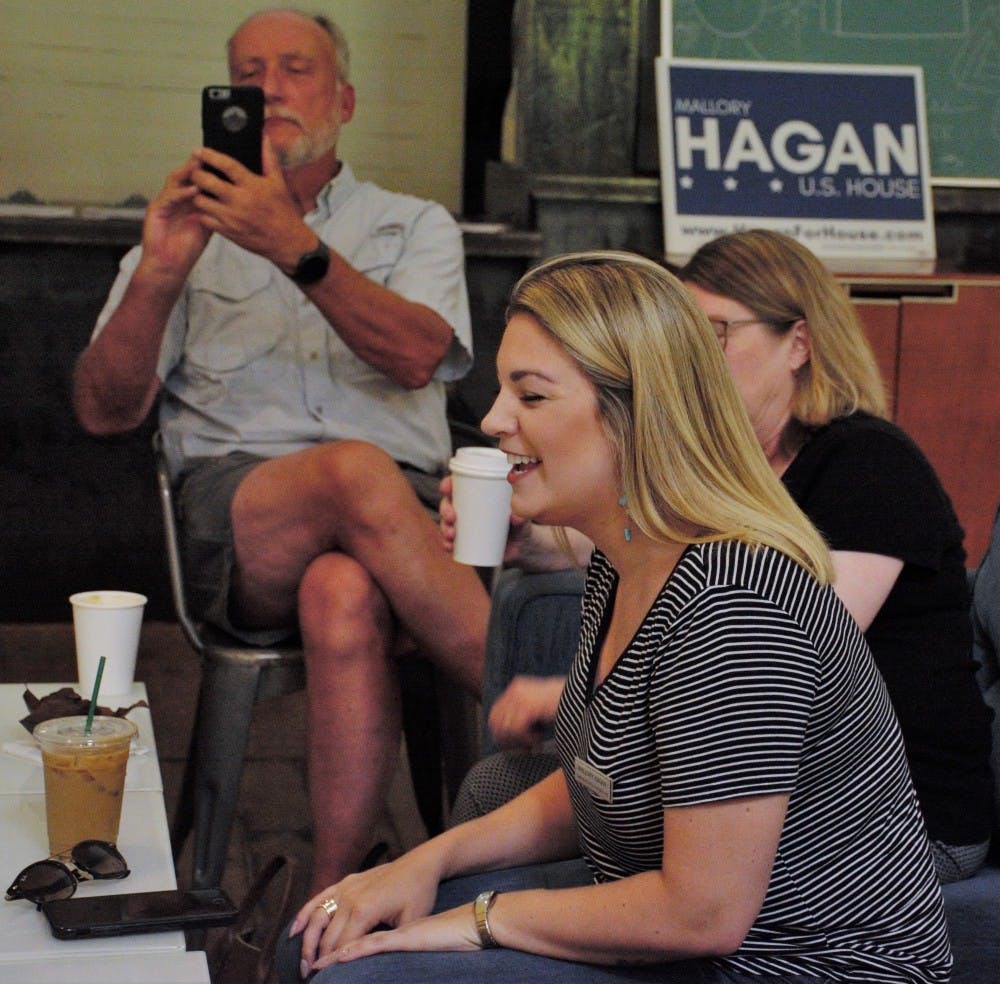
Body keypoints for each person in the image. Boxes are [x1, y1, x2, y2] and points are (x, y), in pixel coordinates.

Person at [277, 251, 952, 983]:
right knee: (324, 934)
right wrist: (426, 860)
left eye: (531, 396)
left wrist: (479, 919)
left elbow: (702, 914)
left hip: (792, 966)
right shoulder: (624, 555)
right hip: (688, 931)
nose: (494, 419)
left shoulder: (734, 605)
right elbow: (599, 782)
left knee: (355, 975)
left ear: (636, 417)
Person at [71, 8, 491, 891]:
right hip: (241, 524)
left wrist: (295, 249)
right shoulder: (185, 228)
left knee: (342, 590)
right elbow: (104, 413)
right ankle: (576, 720)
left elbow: (419, 355)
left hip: (411, 523)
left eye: (296, 68)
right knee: (350, 471)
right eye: (248, 72)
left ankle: (333, 901)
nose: (269, 88)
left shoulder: (413, 223)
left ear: (344, 99)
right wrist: (160, 271)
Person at [443, 229, 994, 884]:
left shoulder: (871, 465)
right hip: (760, 767)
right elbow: (647, 545)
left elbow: (773, 660)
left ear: (798, 343)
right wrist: (532, 541)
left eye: (715, 333)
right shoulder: (722, 472)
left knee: (506, 799)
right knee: (494, 784)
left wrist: (577, 697)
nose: (688, 354)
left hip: (896, 812)